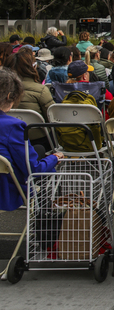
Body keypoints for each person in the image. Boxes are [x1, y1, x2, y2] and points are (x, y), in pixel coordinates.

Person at [0, 68, 63, 211]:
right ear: (10, 96)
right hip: (6, 193)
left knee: (38, 150)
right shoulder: (12, 126)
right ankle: (45, 215)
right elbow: (33, 169)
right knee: (43, 159)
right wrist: (54, 158)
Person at [5, 48, 54, 121]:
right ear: (33, 67)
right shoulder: (41, 91)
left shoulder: (3, 90)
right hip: (33, 131)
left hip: (5, 131)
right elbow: (53, 118)